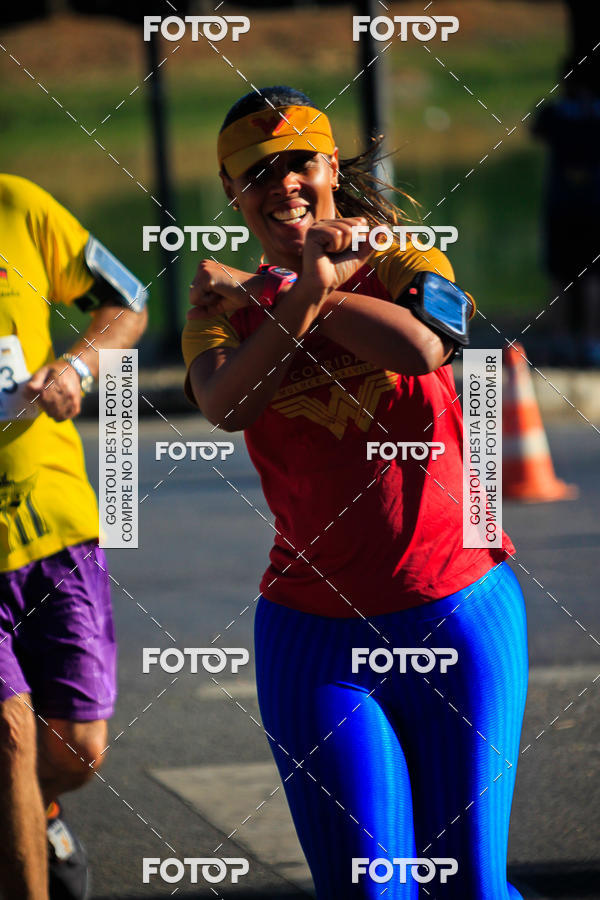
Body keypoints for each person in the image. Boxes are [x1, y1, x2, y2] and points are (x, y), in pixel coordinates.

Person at [182, 86, 528, 899]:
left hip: (458, 611)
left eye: (298, 163)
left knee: (472, 888)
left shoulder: (403, 258)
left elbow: (425, 347)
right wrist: (290, 289)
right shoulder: (217, 309)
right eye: (256, 174)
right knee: (370, 891)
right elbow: (228, 404)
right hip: (314, 641)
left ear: (331, 166)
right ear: (232, 191)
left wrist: (282, 290)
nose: (283, 184)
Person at [0, 174, 147, 900]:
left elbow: (129, 301)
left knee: (77, 750)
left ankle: (31, 816)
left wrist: (76, 365)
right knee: (10, 741)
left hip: (54, 524)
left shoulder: (17, 206)